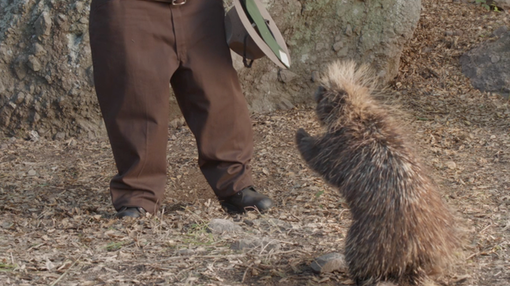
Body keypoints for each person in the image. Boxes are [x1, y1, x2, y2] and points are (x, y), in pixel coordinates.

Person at [88, 0, 274, 218]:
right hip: (130, 8)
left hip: (199, 7)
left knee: (218, 94)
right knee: (136, 99)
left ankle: (235, 183)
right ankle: (138, 195)